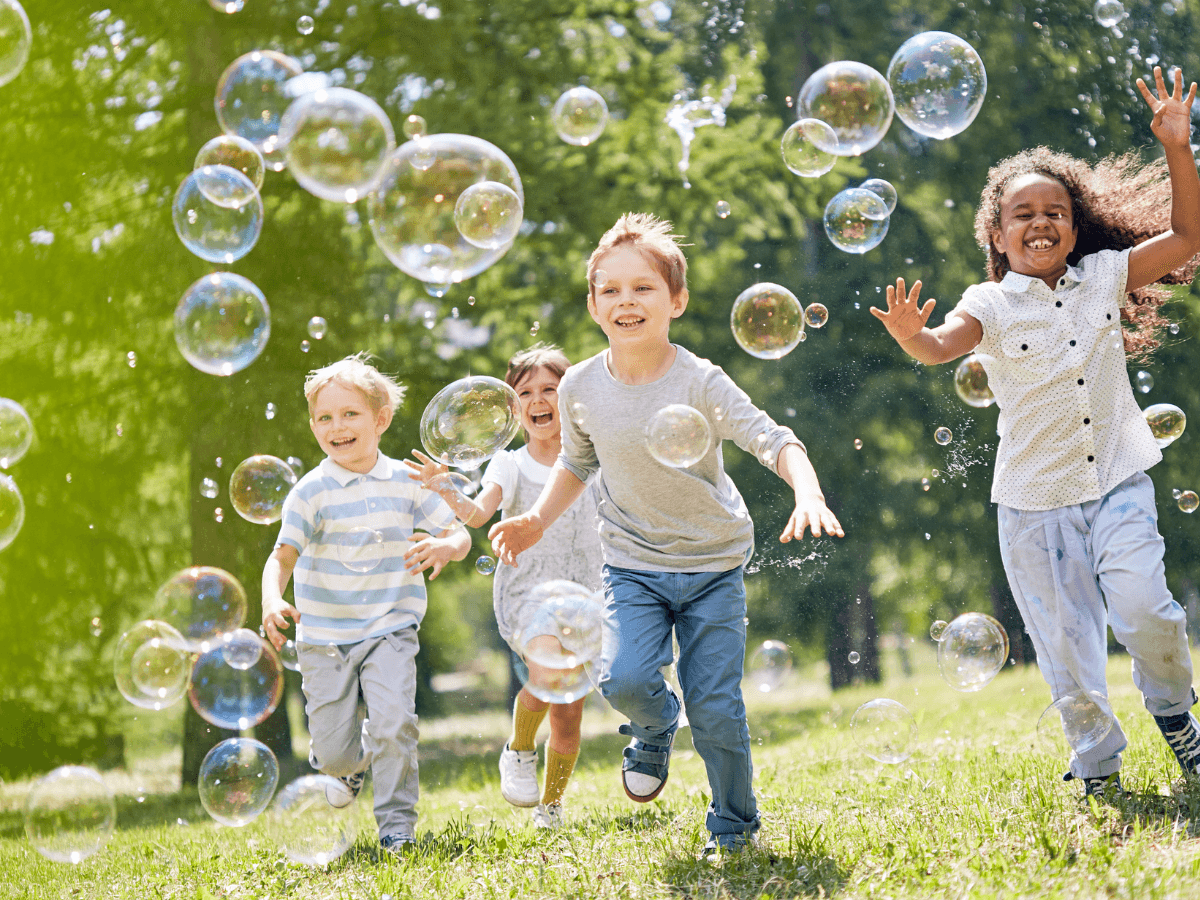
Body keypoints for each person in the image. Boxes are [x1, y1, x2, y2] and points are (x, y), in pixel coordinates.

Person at [870, 67, 1200, 800]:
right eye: (1022, 212)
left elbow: (1189, 236)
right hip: (1034, 505)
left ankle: (1176, 718)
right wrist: (912, 336)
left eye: (1055, 210)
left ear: (1075, 223)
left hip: (1119, 478)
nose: (1040, 221)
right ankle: (1097, 769)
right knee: (1067, 653)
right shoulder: (990, 304)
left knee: (1147, 611)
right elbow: (942, 345)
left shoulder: (1103, 275)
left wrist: (1177, 148)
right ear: (997, 235)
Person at [489, 213, 844, 857]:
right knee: (621, 679)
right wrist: (536, 519)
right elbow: (576, 462)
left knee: (716, 710)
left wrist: (808, 491)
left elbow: (773, 439)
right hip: (631, 564)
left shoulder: (700, 380)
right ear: (594, 304)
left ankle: (735, 828)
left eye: (644, 288)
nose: (628, 301)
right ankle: (652, 728)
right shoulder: (580, 386)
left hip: (712, 563)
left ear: (675, 299)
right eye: (611, 289)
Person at [261, 353, 473, 854]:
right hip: (324, 638)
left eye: (349, 414)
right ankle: (348, 769)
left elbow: (458, 531)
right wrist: (272, 597)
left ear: (380, 420)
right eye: (324, 417)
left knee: (395, 723)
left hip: (390, 628)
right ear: (313, 425)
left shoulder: (407, 480)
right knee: (334, 754)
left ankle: (396, 827)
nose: (336, 427)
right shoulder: (310, 492)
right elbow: (281, 555)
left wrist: (448, 545)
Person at [406, 344, 603, 831]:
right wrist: (447, 489)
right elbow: (477, 514)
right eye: (526, 393)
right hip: (529, 591)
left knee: (569, 716)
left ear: (570, 397)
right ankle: (518, 749)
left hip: (589, 594)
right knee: (545, 674)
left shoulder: (597, 456)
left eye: (550, 390)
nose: (539, 400)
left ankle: (551, 806)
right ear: (514, 409)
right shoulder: (508, 465)